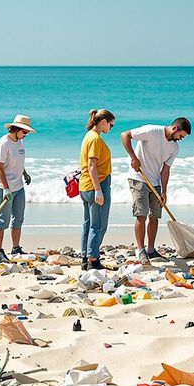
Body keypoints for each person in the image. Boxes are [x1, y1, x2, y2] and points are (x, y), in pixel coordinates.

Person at [120, 117, 191, 263]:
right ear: (175, 129)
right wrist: (133, 158)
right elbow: (124, 135)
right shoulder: (152, 131)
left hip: (155, 183)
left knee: (154, 216)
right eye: (181, 136)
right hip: (138, 177)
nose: (181, 139)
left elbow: (165, 170)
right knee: (141, 215)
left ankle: (151, 250)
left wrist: (164, 191)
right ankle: (141, 250)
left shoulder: (174, 148)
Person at [0, 114, 35, 262]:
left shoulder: (19, 142)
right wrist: (5, 188)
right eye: (24, 132)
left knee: (18, 219)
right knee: (3, 220)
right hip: (3, 187)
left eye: (27, 132)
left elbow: (17, 161)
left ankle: (15, 248)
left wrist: (25, 173)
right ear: (16, 129)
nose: (26, 134)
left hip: (18, 186)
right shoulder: (3, 143)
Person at [79, 109, 116, 269]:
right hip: (97, 184)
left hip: (85, 185)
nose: (111, 128)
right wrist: (99, 190)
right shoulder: (95, 139)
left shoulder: (88, 135)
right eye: (111, 125)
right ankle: (93, 260)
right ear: (103, 122)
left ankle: (85, 258)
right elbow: (92, 165)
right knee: (99, 225)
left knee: (88, 224)